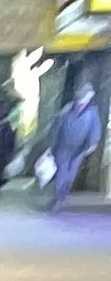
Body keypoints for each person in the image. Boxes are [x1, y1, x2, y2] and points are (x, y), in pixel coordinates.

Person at [44, 73, 100, 211]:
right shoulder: (68, 108)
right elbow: (57, 126)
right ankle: (58, 198)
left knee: (71, 174)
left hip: (80, 147)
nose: (86, 98)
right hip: (63, 145)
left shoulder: (92, 112)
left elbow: (95, 128)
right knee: (61, 172)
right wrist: (51, 145)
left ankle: (62, 195)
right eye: (85, 95)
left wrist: (93, 143)